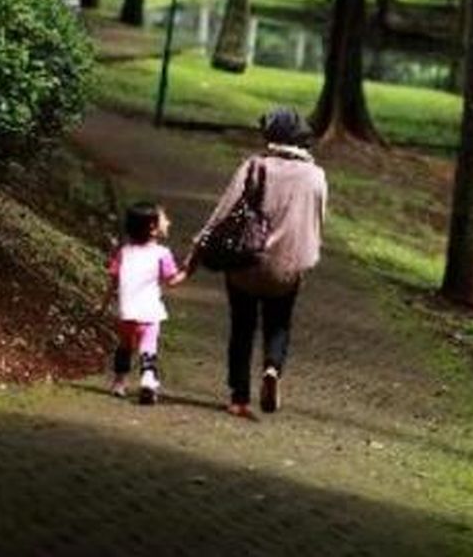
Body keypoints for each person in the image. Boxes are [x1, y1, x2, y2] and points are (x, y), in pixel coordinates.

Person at [188, 107, 327, 418]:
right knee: (279, 323)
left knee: (242, 327)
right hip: (287, 268)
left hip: (245, 263)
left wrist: (195, 255)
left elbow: (222, 214)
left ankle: (239, 397)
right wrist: (305, 261)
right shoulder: (317, 176)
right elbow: (316, 224)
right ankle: (273, 369)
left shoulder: (255, 166)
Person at [108, 202, 186, 404]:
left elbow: (113, 281)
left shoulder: (123, 252)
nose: (168, 222)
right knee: (147, 347)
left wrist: (104, 304)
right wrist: (188, 270)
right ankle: (148, 379)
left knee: (124, 346)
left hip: (125, 312)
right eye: (164, 219)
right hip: (149, 313)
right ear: (152, 228)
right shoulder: (162, 253)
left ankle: (119, 382)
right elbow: (172, 280)